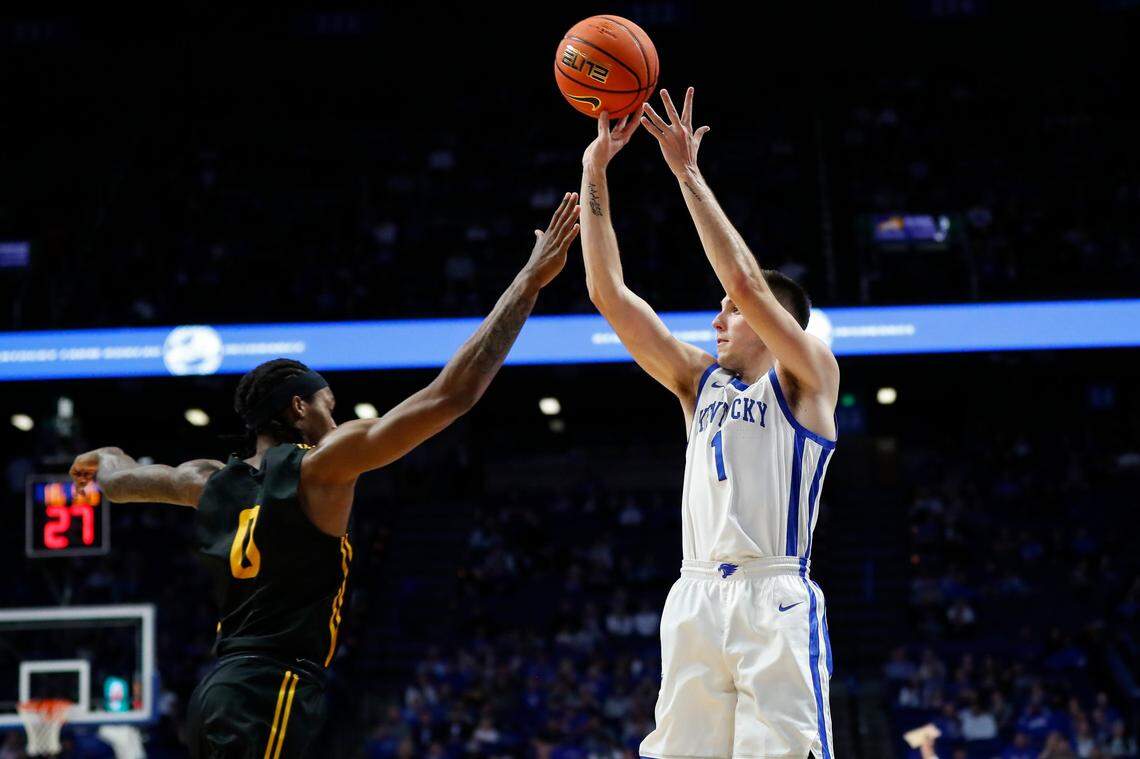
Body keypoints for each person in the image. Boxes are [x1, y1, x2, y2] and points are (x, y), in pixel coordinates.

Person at [68, 194, 581, 758]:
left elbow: (121, 480)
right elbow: (452, 394)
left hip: (219, 689)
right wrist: (529, 283)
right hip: (272, 686)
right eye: (328, 404)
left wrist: (104, 456)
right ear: (298, 410)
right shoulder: (322, 464)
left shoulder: (204, 480)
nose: (334, 416)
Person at [579, 86, 839, 759]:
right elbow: (609, 294)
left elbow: (748, 282)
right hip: (695, 590)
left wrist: (686, 173)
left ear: (777, 322)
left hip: (773, 594)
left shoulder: (810, 377)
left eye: (730, 309)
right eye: (718, 308)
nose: (719, 317)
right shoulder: (700, 382)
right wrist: (595, 170)